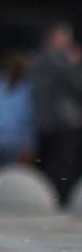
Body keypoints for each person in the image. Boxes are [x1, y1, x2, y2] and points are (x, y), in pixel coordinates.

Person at [34, 23, 82, 199]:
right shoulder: (57, 61)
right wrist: (74, 63)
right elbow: (76, 85)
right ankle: (62, 196)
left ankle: (55, 194)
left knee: (53, 161)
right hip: (64, 121)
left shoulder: (39, 59)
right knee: (64, 163)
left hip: (48, 121)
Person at [0, 51, 38, 168]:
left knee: (6, 169)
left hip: (1, 135)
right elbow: (28, 113)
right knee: (22, 173)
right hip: (22, 136)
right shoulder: (27, 84)